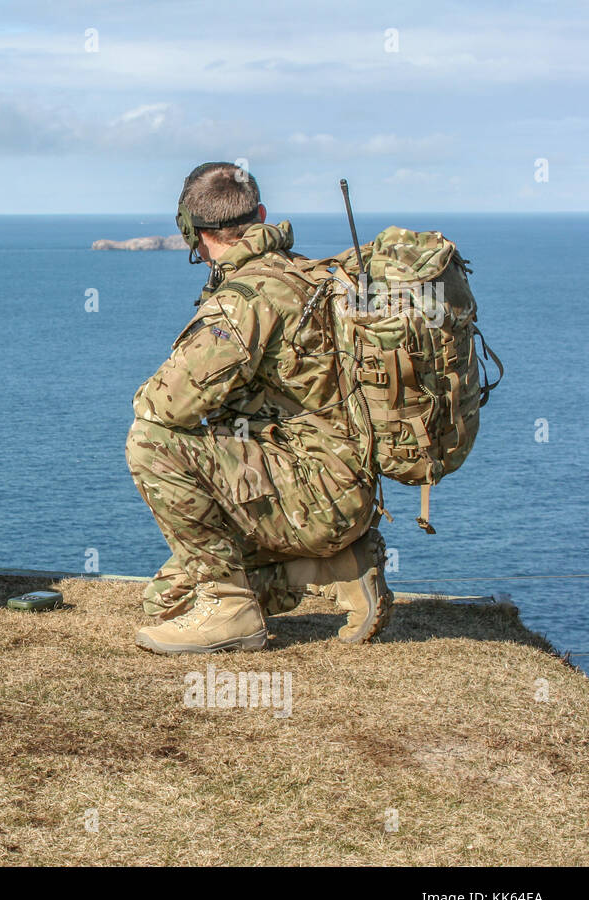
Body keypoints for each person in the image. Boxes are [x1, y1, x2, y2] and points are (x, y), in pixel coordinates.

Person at [125, 161, 391, 654]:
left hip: (309, 495)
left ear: (191, 232)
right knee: (167, 602)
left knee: (150, 443)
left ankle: (231, 610)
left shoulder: (245, 299)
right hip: (343, 491)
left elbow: (165, 407)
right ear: (262, 214)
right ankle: (333, 567)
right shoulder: (309, 274)